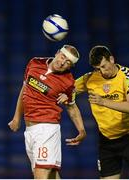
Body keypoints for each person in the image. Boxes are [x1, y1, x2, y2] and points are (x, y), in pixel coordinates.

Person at [59, 45, 129, 179]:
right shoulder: (90, 78)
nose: (102, 71)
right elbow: (68, 87)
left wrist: (104, 102)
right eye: (97, 68)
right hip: (106, 141)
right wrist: (67, 93)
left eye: (103, 66)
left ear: (111, 59)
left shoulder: (127, 75)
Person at [8, 44, 86, 179]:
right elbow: (24, 90)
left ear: (70, 67)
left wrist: (82, 130)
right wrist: (17, 118)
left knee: (40, 175)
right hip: (30, 130)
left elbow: (72, 107)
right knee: (51, 176)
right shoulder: (34, 63)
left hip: (47, 129)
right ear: (57, 53)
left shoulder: (68, 82)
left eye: (68, 62)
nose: (62, 62)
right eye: (63, 57)